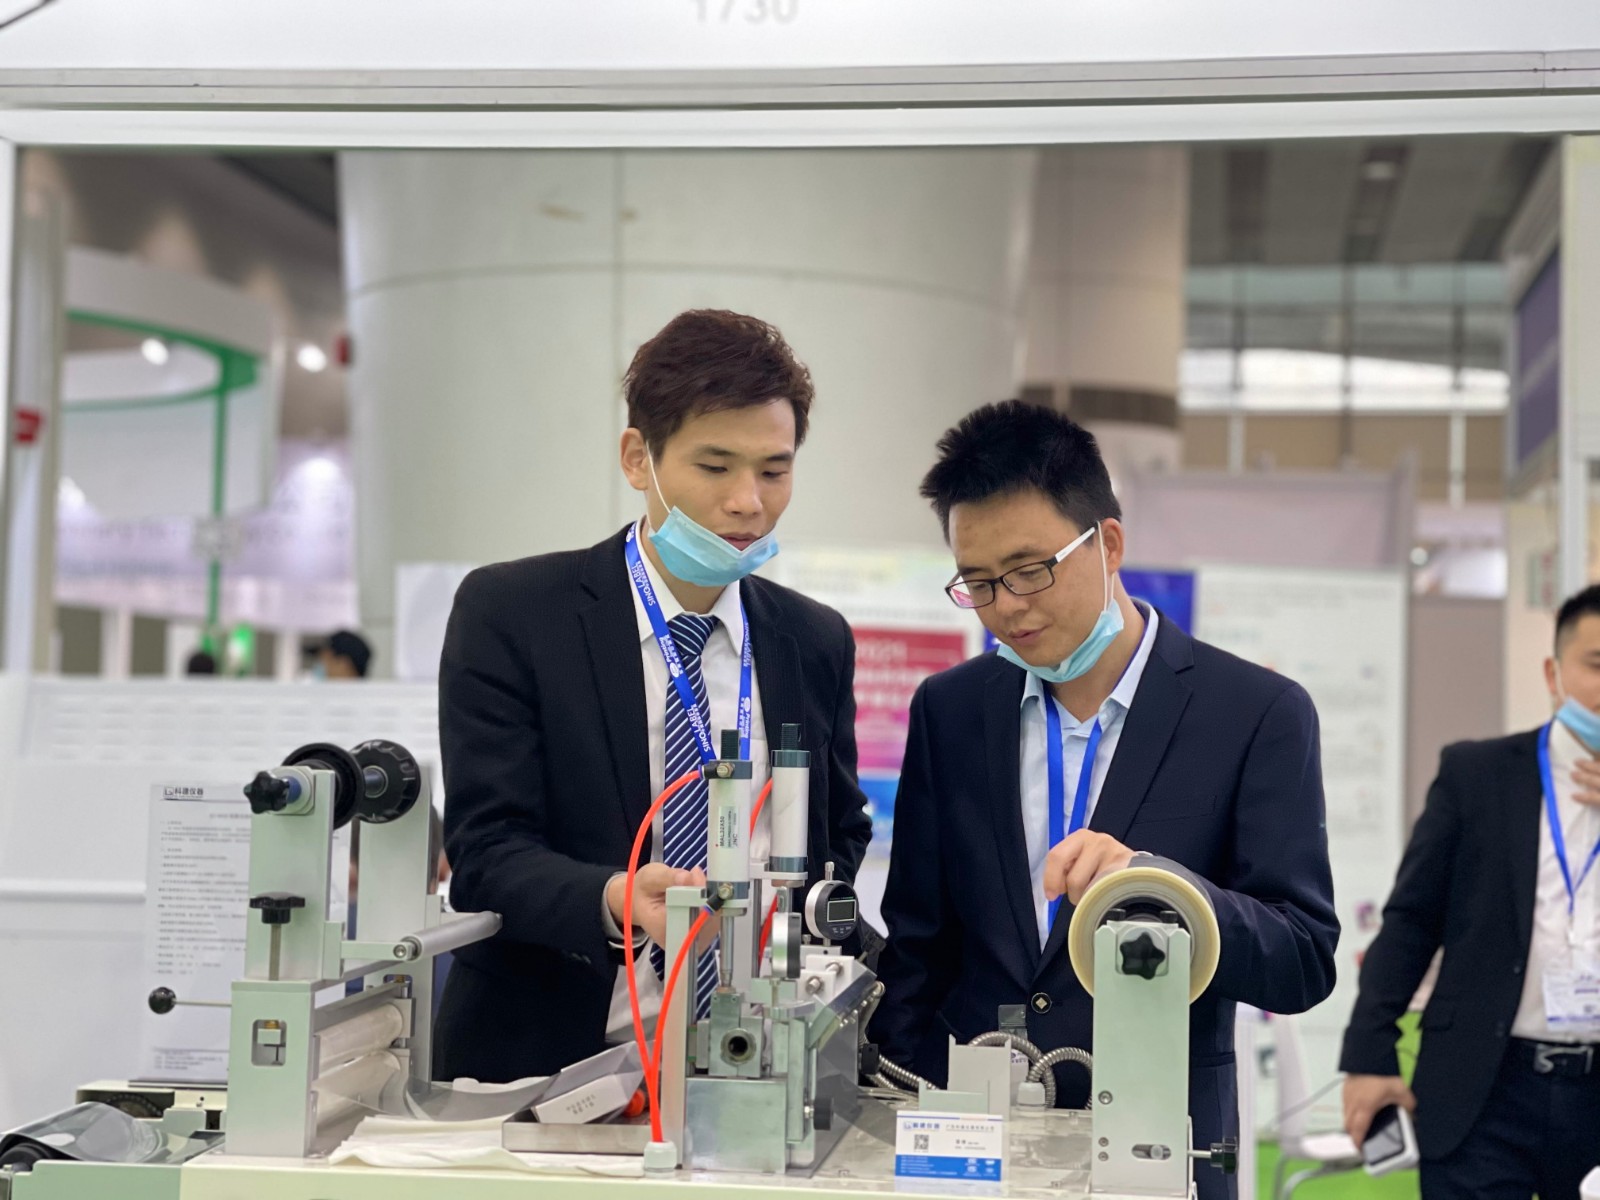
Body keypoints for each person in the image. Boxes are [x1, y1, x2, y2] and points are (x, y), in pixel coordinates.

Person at [869, 400, 1339, 1200]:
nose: (1006, 605)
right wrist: (893, 1119)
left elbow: (1302, 957)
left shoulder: (1254, 713)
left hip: (1157, 1146)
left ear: (1108, 543)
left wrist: (1162, 887)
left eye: (1029, 570)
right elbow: (921, 947)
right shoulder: (951, 711)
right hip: (972, 1147)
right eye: (977, 583)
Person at [434, 309, 873, 1082]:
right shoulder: (516, 614)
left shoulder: (813, 640)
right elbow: (486, 853)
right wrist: (613, 896)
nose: (748, 502)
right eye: (715, 466)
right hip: (554, 1064)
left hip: (756, 1064)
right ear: (639, 458)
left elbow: (838, 828)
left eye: (774, 471)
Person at [1340, 585, 1600, 1199]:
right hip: (1485, 1085)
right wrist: (1369, 1053)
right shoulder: (1478, 776)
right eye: (1597, 664)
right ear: (1554, 674)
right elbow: (1411, 921)